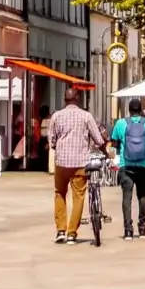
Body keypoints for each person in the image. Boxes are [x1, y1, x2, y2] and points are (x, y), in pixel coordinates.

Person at [47, 88, 102, 244]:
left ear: (64, 100)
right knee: (78, 196)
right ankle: (72, 233)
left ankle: (60, 230)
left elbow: (51, 141)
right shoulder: (86, 116)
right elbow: (98, 140)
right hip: (80, 163)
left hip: (62, 163)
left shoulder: (56, 116)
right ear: (77, 99)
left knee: (59, 193)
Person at [111, 97, 145, 237]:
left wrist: (120, 147)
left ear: (129, 111)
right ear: (141, 110)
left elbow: (114, 143)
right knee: (142, 195)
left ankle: (128, 230)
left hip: (126, 165)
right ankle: (142, 228)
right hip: (142, 165)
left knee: (126, 197)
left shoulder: (120, 123)